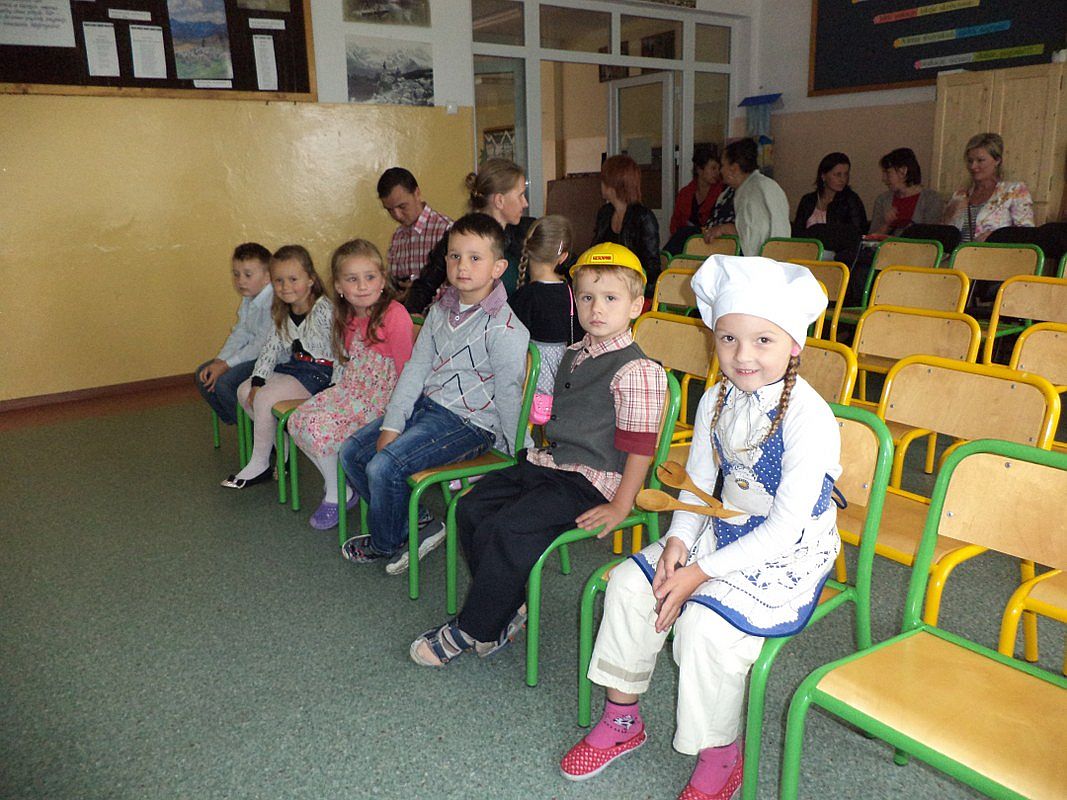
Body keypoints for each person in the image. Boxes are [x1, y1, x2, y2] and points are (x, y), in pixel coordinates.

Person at [560, 254, 839, 800]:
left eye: (763, 340)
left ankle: (720, 753)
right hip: (722, 526)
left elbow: (785, 529)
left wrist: (699, 573)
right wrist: (679, 541)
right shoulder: (716, 398)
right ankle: (623, 718)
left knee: (705, 629)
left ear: (794, 345)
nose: (743, 355)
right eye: (729, 338)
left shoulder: (810, 418)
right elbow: (695, 486)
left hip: (786, 546)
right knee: (629, 586)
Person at [407, 242, 667, 667]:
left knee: (509, 528)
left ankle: (472, 629)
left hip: (594, 480)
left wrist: (621, 505)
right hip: (553, 464)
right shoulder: (574, 354)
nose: (597, 309)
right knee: (471, 508)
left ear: (636, 306)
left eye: (611, 298)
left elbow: (640, 448)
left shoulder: (638, 370)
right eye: (587, 297)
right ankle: (506, 606)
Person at [338, 213, 530, 574]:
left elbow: (508, 394)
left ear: (498, 267)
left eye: (475, 258)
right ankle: (418, 523)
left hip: (471, 424)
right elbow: (415, 369)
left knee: (383, 467)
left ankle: (386, 543)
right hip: (430, 408)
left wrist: (520, 451)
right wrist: (392, 424)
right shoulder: (442, 309)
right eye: (455, 256)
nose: (462, 266)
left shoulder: (505, 328)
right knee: (352, 453)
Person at [287, 240, 414, 530]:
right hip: (350, 392)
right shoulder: (346, 315)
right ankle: (340, 485)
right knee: (297, 420)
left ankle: (337, 494)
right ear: (339, 286)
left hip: (382, 401)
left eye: (370, 277)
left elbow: (407, 371)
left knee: (318, 427)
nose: (362, 286)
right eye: (352, 279)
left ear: (382, 279)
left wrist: (398, 419)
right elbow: (347, 364)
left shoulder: (394, 315)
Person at [223, 245, 336, 489]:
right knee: (244, 391)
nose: (285, 287)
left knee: (264, 399)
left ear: (310, 279)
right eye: (279, 281)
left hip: (321, 374)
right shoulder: (283, 310)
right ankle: (281, 449)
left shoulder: (324, 309)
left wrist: (337, 385)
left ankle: (260, 462)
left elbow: (341, 349)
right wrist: (258, 379)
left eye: (293, 279)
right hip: (297, 368)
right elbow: (271, 348)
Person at [404, 158, 533, 313]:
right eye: (520, 195)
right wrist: (409, 317)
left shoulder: (528, 231)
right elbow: (425, 285)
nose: (525, 203)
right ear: (499, 200)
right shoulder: (458, 237)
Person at [509, 214, 583, 423]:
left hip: (529, 388)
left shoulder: (522, 296)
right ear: (563, 257)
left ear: (529, 247)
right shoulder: (572, 294)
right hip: (564, 388)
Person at [195, 243, 274, 426]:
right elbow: (241, 332)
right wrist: (220, 360)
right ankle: (242, 425)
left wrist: (226, 365)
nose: (240, 281)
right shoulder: (249, 297)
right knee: (203, 374)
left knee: (224, 383)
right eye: (236, 274)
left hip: (271, 359)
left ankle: (257, 433)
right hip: (253, 354)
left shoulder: (273, 302)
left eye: (248, 275)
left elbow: (261, 345)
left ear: (267, 277)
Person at [704, 138, 790, 257]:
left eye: (722, 166)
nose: (720, 171)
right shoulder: (760, 186)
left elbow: (753, 238)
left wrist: (725, 229)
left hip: (760, 262)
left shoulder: (754, 191)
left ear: (734, 169)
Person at [943, 132, 1034, 242]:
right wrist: (948, 215)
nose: (973, 166)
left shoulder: (1013, 191)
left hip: (995, 252)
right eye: (970, 161)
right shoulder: (960, 195)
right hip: (959, 252)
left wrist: (996, 236)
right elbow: (944, 235)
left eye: (980, 160)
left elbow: (1026, 233)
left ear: (997, 160)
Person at [592, 155, 661, 299]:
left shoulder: (643, 217)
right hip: (606, 284)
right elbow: (594, 250)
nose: (600, 184)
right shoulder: (604, 213)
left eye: (603, 180)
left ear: (613, 184)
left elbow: (652, 267)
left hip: (634, 289)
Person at [377, 167, 453, 299]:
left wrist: (419, 291)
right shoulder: (398, 236)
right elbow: (393, 281)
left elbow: (459, 287)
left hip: (440, 309)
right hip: (407, 309)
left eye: (402, 206)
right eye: (390, 210)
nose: (397, 215)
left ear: (417, 193)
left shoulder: (446, 230)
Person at [868, 147, 944, 237]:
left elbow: (931, 236)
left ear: (903, 171)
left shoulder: (931, 199)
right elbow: (871, 238)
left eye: (888, 173)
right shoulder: (883, 200)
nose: (884, 179)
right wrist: (886, 224)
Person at [665, 144, 726, 255]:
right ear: (699, 170)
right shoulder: (685, 193)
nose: (717, 172)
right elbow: (675, 223)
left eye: (718, 168)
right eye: (713, 168)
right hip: (687, 245)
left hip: (713, 244)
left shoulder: (722, 192)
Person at [792, 152, 868, 235]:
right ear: (823, 176)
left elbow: (858, 232)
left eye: (846, 174)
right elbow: (797, 232)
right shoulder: (808, 200)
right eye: (837, 175)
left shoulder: (851, 200)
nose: (843, 179)